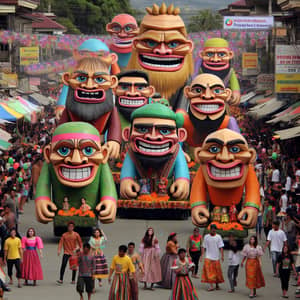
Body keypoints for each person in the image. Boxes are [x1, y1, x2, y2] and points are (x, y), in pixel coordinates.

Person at [200, 224, 224, 291]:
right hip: (208, 257)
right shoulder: (206, 237)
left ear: (215, 230)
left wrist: (222, 255)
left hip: (216, 257)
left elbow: (221, 247)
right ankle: (211, 286)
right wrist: (202, 256)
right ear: (210, 229)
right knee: (209, 272)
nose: (213, 230)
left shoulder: (218, 237)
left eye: (214, 229)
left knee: (217, 272)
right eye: (212, 229)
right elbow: (203, 247)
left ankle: (217, 285)